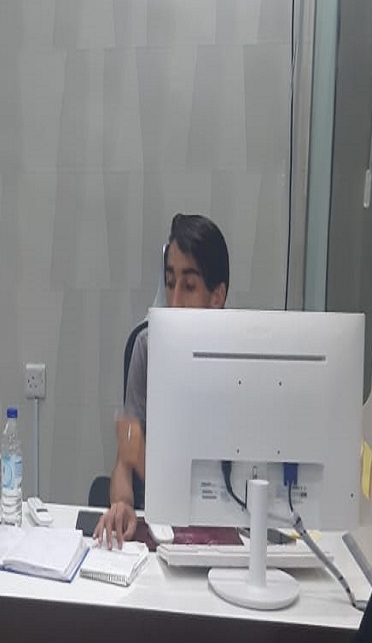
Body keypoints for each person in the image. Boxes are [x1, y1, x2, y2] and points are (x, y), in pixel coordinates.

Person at [93, 214, 229, 548]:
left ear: (217, 296)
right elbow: (126, 453)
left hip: (223, 528)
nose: (175, 299)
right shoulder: (147, 346)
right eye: (169, 283)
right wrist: (122, 503)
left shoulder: (239, 359)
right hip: (158, 526)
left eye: (189, 286)